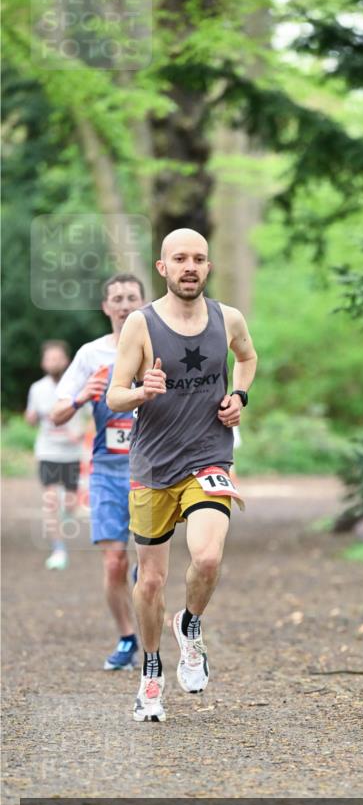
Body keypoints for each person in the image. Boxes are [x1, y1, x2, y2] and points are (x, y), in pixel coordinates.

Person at [107, 228, 257, 723]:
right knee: (150, 580)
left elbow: (248, 357)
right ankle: (151, 671)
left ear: (208, 267)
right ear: (162, 268)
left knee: (209, 557)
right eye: (180, 259)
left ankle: (190, 626)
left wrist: (240, 397)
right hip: (152, 466)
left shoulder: (227, 318)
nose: (190, 266)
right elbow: (114, 396)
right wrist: (142, 392)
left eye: (198, 259)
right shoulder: (141, 325)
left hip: (208, 457)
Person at [51, 274, 146, 669]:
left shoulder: (160, 346)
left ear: (143, 303)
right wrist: (81, 397)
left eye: (132, 298)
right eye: (117, 299)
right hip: (108, 470)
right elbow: (57, 414)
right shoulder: (91, 355)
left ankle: (153, 627)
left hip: (151, 468)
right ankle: (127, 638)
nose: (124, 305)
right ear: (106, 307)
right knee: (114, 564)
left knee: (148, 567)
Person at [26, 340, 85, 571]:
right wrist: (30, 418)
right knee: (50, 501)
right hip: (48, 452)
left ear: (66, 361)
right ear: (43, 363)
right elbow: (31, 417)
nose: (53, 362)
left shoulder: (77, 386)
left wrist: (79, 433)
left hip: (72, 454)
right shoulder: (37, 388)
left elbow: (91, 417)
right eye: (49, 358)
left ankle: (67, 513)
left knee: (70, 503)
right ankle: (59, 549)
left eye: (57, 358)